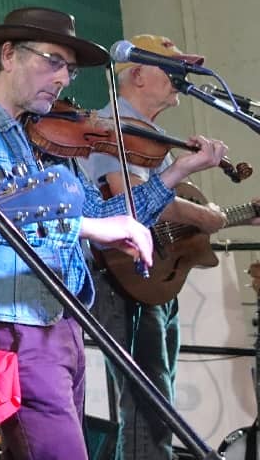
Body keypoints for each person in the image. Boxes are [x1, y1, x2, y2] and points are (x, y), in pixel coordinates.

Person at [0, 8, 226, 460]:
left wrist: (175, 173)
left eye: (70, 68)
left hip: (63, 321)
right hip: (8, 324)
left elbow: (104, 211)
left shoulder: (47, 138)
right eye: (53, 61)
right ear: (8, 55)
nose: (65, 77)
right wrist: (92, 226)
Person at [75, 34, 234, 460]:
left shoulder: (153, 135)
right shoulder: (113, 129)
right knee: (149, 404)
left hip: (156, 280)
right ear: (138, 74)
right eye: (172, 68)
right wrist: (203, 215)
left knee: (156, 400)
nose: (180, 77)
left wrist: (230, 214)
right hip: (122, 278)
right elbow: (131, 201)